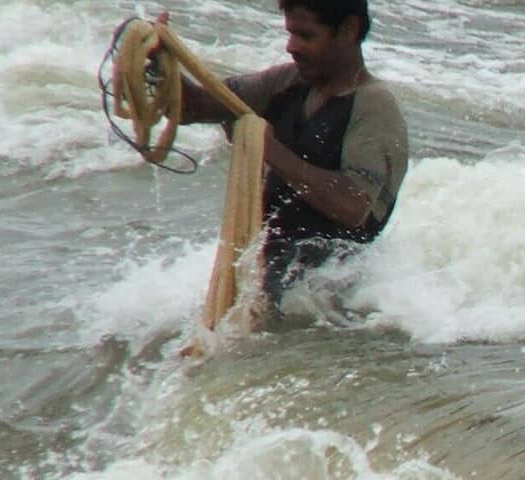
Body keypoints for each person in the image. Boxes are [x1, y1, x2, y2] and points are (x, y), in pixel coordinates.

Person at [167, 0, 408, 330]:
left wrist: (270, 150)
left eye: (306, 36)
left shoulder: (374, 105)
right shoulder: (286, 83)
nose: (291, 47)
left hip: (332, 311)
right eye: (291, 34)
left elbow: (353, 206)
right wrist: (158, 64)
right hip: (273, 288)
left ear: (348, 30)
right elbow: (196, 106)